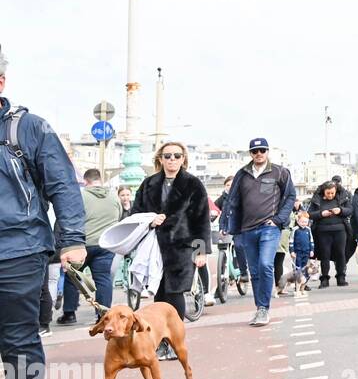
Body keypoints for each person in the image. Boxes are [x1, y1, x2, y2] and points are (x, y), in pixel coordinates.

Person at [0, 50, 87, 379]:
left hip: (18, 249)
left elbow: (64, 186)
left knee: (17, 339)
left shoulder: (28, 129)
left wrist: (72, 238)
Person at [129, 142, 211, 358]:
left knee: (175, 294)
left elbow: (201, 220)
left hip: (182, 247)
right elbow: (134, 214)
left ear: (183, 158)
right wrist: (150, 219)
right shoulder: (148, 184)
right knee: (159, 296)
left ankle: (175, 342)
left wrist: (201, 251)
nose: (172, 159)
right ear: (160, 159)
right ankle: (161, 342)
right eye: (167, 156)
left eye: (177, 155)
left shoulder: (193, 184)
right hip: (154, 247)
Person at [219, 137, 296, 326]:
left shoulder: (280, 172)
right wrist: (225, 222)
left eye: (262, 150)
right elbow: (231, 199)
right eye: (255, 151)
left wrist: (278, 219)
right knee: (254, 271)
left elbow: (290, 197)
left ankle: (264, 308)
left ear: (267, 151)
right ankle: (260, 308)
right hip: (246, 229)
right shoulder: (242, 174)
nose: (259, 154)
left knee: (265, 265)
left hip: (269, 228)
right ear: (250, 154)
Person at [59, 168, 122, 323]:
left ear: (86, 181)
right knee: (103, 279)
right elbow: (119, 216)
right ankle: (103, 315)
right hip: (105, 245)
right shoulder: (114, 197)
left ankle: (69, 313)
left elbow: (72, 217)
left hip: (83, 244)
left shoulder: (81, 195)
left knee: (72, 277)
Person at [308, 180, 352, 287]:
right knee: (324, 255)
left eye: (332, 193)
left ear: (336, 190)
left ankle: (341, 277)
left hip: (340, 230)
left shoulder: (342, 197)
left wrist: (340, 210)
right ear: (324, 191)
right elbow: (309, 214)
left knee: (341, 254)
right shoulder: (317, 199)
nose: (330, 195)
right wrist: (321, 213)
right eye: (328, 193)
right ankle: (324, 279)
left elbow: (350, 210)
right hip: (323, 231)